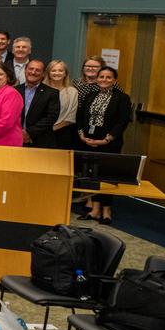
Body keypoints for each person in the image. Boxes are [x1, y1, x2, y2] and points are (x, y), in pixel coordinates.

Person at [77, 66, 134, 224]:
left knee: (107, 177)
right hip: (88, 141)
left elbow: (122, 122)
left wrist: (106, 139)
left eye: (108, 77)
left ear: (114, 80)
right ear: (97, 79)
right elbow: (80, 117)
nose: (104, 80)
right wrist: (82, 136)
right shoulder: (90, 95)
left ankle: (107, 210)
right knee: (93, 176)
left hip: (110, 143)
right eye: (101, 77)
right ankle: (95, 209)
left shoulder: (122, 98)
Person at [18, 59, 60, 149]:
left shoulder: (52, 93)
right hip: (16, 139)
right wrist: (19, 132)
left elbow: (51, 117)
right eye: (31, 69)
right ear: (25, 70)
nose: (33, 72)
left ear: (43, 74)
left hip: (41, 141)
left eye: (38, 70)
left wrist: (29, 132)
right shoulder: (15, 90)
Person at [46, 60, 80, 149]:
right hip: (40, 134)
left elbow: (70, 117)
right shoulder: (40, 89)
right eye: (53, 70)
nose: (57, 73)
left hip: (62, 134)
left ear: (65, 74)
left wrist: (53, 129)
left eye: (60, 70)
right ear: (48, 73)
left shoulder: (72, 92)